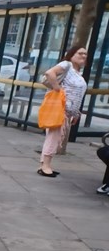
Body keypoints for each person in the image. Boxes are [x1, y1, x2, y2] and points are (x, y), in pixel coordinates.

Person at [37, 43, 88, 177]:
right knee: (54, 137)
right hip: (60, 109)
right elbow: (49, 73)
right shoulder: (67, 65)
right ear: (72, 55)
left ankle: (44, 164)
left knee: (54, 137)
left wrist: (76, 112)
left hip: (68, 111)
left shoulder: (77, 73)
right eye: (80, 53)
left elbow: (76, 94)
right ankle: (46, 166)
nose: (83, 56)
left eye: (85, 54)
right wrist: (57, 88)